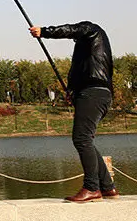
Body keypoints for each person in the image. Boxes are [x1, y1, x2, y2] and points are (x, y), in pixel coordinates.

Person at [29, 22, 117, 202]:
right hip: (95, 93)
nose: (74, 38)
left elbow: (71, 29)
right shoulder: (88, 50)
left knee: (82, 138)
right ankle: (107, 187)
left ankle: (92, 188)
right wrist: (73, 91)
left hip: (93, 92)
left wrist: (44, 32)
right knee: (86, 139)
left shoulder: (91, 30)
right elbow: (78, 73)